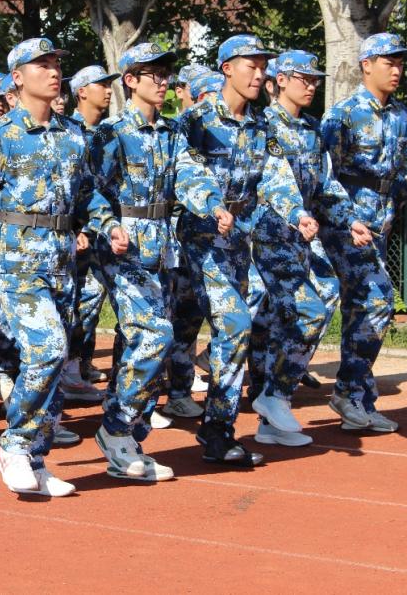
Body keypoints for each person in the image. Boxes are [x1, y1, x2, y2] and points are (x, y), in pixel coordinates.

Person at [0, 37, 129, 496]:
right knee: (47, 348)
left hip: (61, 259)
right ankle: (13, 446)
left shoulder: (72, 135)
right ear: (17, 77)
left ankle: (36, 457)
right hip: (16, 259)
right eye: (42, 64)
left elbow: (87, 193)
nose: (53, 72)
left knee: (52, 356)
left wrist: (107, 223)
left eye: (55, 63)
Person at [90, 43, 229, 480]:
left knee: (147, 342)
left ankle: (131, 438)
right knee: (155, 335)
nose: (163, 82)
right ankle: (115, 428)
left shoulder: (171, 133)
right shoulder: (111, 133)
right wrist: (108, 224)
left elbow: (191, 174)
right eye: (153, 74)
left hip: (162, 246)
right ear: (130, 80)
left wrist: (212, 203)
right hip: (123, 247)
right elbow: (90, 189)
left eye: (167, 74)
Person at [177, 34, 314, 467]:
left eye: (263, 66)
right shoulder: (195, 121)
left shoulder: (260, 124)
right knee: (232, 324)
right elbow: (185, 172)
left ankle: (218, 427)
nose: (260, 74)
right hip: (201, 239)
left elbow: (275, 174)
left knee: (231, 328)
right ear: (226, 69)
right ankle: (205, 427)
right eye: (250, 65)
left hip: (238, 241)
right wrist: (209, 204)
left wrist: (296, 212)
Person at [249, 51, 368, 445]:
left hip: (301, 238)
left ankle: (270, 421)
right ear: (280, 80)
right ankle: (273, 395)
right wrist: (294, 214)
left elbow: (327, 184)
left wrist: (349, 219)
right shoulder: (262, 125)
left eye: (315, 79)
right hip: (266, 236)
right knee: (307, 311)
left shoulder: (312, 129)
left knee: (281, 322)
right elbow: (270, 181)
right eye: (304, 78)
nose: (312, 85)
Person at [319, 32, 407, 433]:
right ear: (366, 65)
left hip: (380, 224)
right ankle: (346, 392)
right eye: (389, 62)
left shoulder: (402, 116)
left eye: (400, 63)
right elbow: (325, 177)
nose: (397, 70)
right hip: (345, 227)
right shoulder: (342, 116)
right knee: (376, 301)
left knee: (363, 309)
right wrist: (345, 219)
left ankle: (356, 397)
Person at [64, 64, 120, 396]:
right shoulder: (69, 131)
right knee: (75, 300)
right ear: (82, 92)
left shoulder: (110, 133)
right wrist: (75, 227)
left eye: (109, 84)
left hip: (106, 228)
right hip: (76, 231)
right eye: (101, 85)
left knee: (93, 301)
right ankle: (69, 368)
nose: (109, 90)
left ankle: (80, 364)